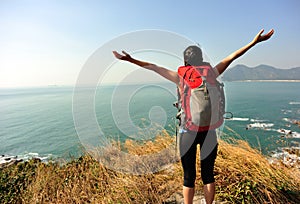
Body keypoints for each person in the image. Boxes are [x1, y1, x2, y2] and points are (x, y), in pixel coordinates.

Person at [113, 29, 274, 204]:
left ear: (185, 60)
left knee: (188, 176)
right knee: (208, 175)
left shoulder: (181, 77)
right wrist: (254, 42)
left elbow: (153, 67)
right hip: (209, 131)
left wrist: (130, 59)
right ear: (201, 59)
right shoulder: (212, 73)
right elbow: (232, 56)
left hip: (187, 131)